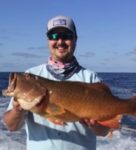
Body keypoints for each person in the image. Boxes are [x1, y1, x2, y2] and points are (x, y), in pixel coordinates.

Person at [3, 15, 110, 150]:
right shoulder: (30, 76)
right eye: (53, 36)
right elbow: (12, 127)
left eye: (66, 35)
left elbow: (105, 131)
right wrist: (17, 110)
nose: (60, 41)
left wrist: (96, 126)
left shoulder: (91, 78)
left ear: (75, 39)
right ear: (48, 41)